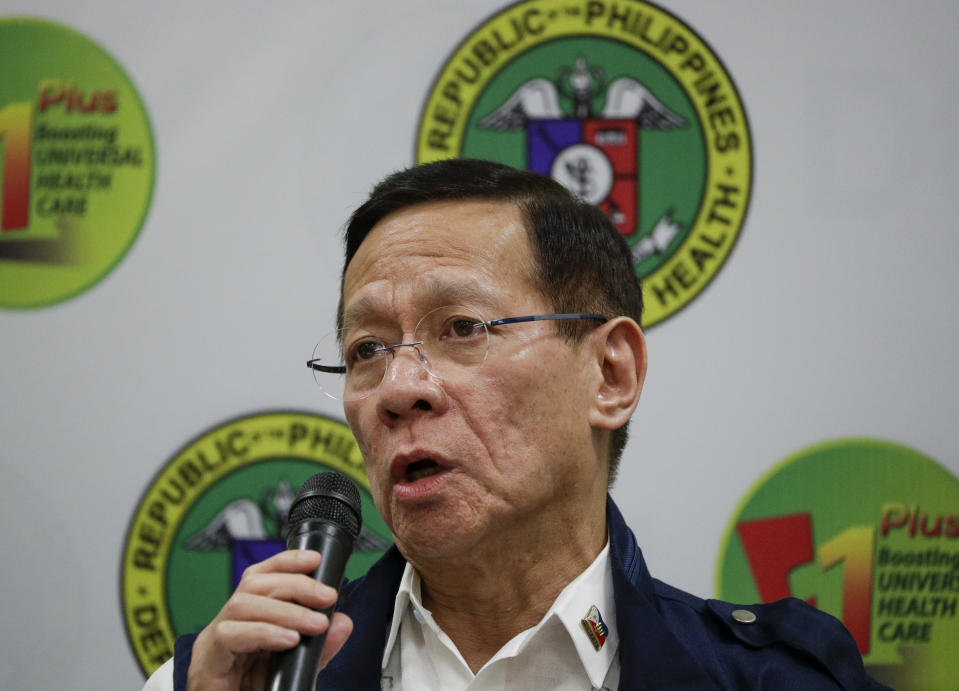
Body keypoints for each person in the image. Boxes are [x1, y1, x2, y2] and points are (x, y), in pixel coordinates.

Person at [145, 159, 887, 690]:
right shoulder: (230, 679)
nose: (398, 388)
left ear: (609, 374)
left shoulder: (773, 676)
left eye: (462, 327)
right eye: (366, 349)